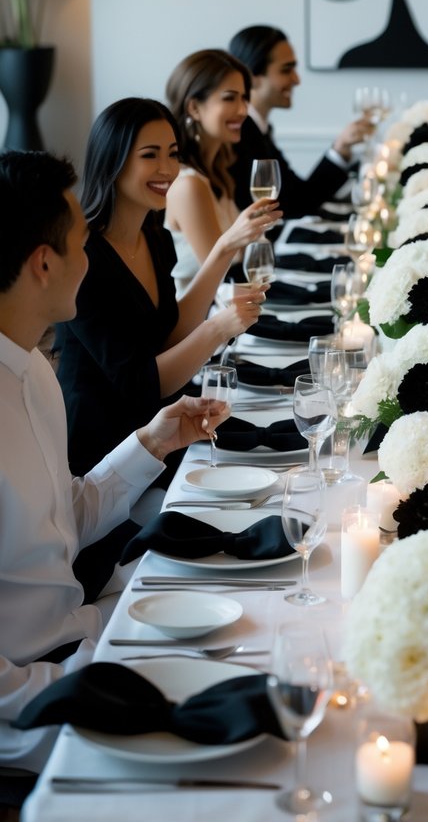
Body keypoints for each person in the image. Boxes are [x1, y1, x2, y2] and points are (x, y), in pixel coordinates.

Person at [0, 150, 229, 775]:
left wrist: (152, 442)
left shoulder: (32, 371)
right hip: (35, 701)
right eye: (83, 243)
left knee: (241, 632)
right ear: (44, 264)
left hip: (83, 633)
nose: (92, 258)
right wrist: (91, 684)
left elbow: (61, 519)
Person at [56, 98, 273, 476]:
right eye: (150, 155)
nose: (167, 169)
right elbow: (142, 384)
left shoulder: (155, 236)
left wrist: (223, 250)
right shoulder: (84, 258)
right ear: (114, 160)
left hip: (164, 431)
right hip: (107, 456)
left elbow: (169, 336)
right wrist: (219, 327)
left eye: (173, 154)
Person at [227, 25, 373, 220]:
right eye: (287, 70)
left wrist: (341, 148)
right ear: (251, 77)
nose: (296, 80)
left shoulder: (259, 129)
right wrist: (339, 149)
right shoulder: (241, 135)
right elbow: (295, 204)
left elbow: (300, 196)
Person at [165, 49, 280, 293]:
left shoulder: (218, 170)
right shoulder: (188, 185)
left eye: (244, 98)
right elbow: (222, 276)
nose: (242, 110)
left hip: (229, 310)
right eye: (229, 98)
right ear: (194, 107)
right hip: (202, 324)